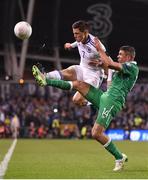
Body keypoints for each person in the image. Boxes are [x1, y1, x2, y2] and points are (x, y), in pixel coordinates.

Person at [32, 37, 139, 171]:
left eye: (121, 54)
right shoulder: (122, 69)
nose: (118, 55)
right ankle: (46, 80)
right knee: (79, 85)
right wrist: (101, 66)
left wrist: (100, 49)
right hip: (105, 96)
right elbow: (110, 73)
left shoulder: (132, 67)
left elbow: (110, 64)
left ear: (128, 57)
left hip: (113, 101)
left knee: (96, 133)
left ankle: (119, 157)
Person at [36, 20, 112, 106]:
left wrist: (103, 66)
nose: (74, 36)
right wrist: (71, 45)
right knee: (69, 70)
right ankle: (44, 76)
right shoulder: (81, 38)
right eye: (74, 33)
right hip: (82, 68)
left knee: (77, 100)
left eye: (77, 33)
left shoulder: (97, 45)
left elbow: (110, 64)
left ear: (85, 32)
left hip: (93, 76)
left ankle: (96, 101)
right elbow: (78, 42)